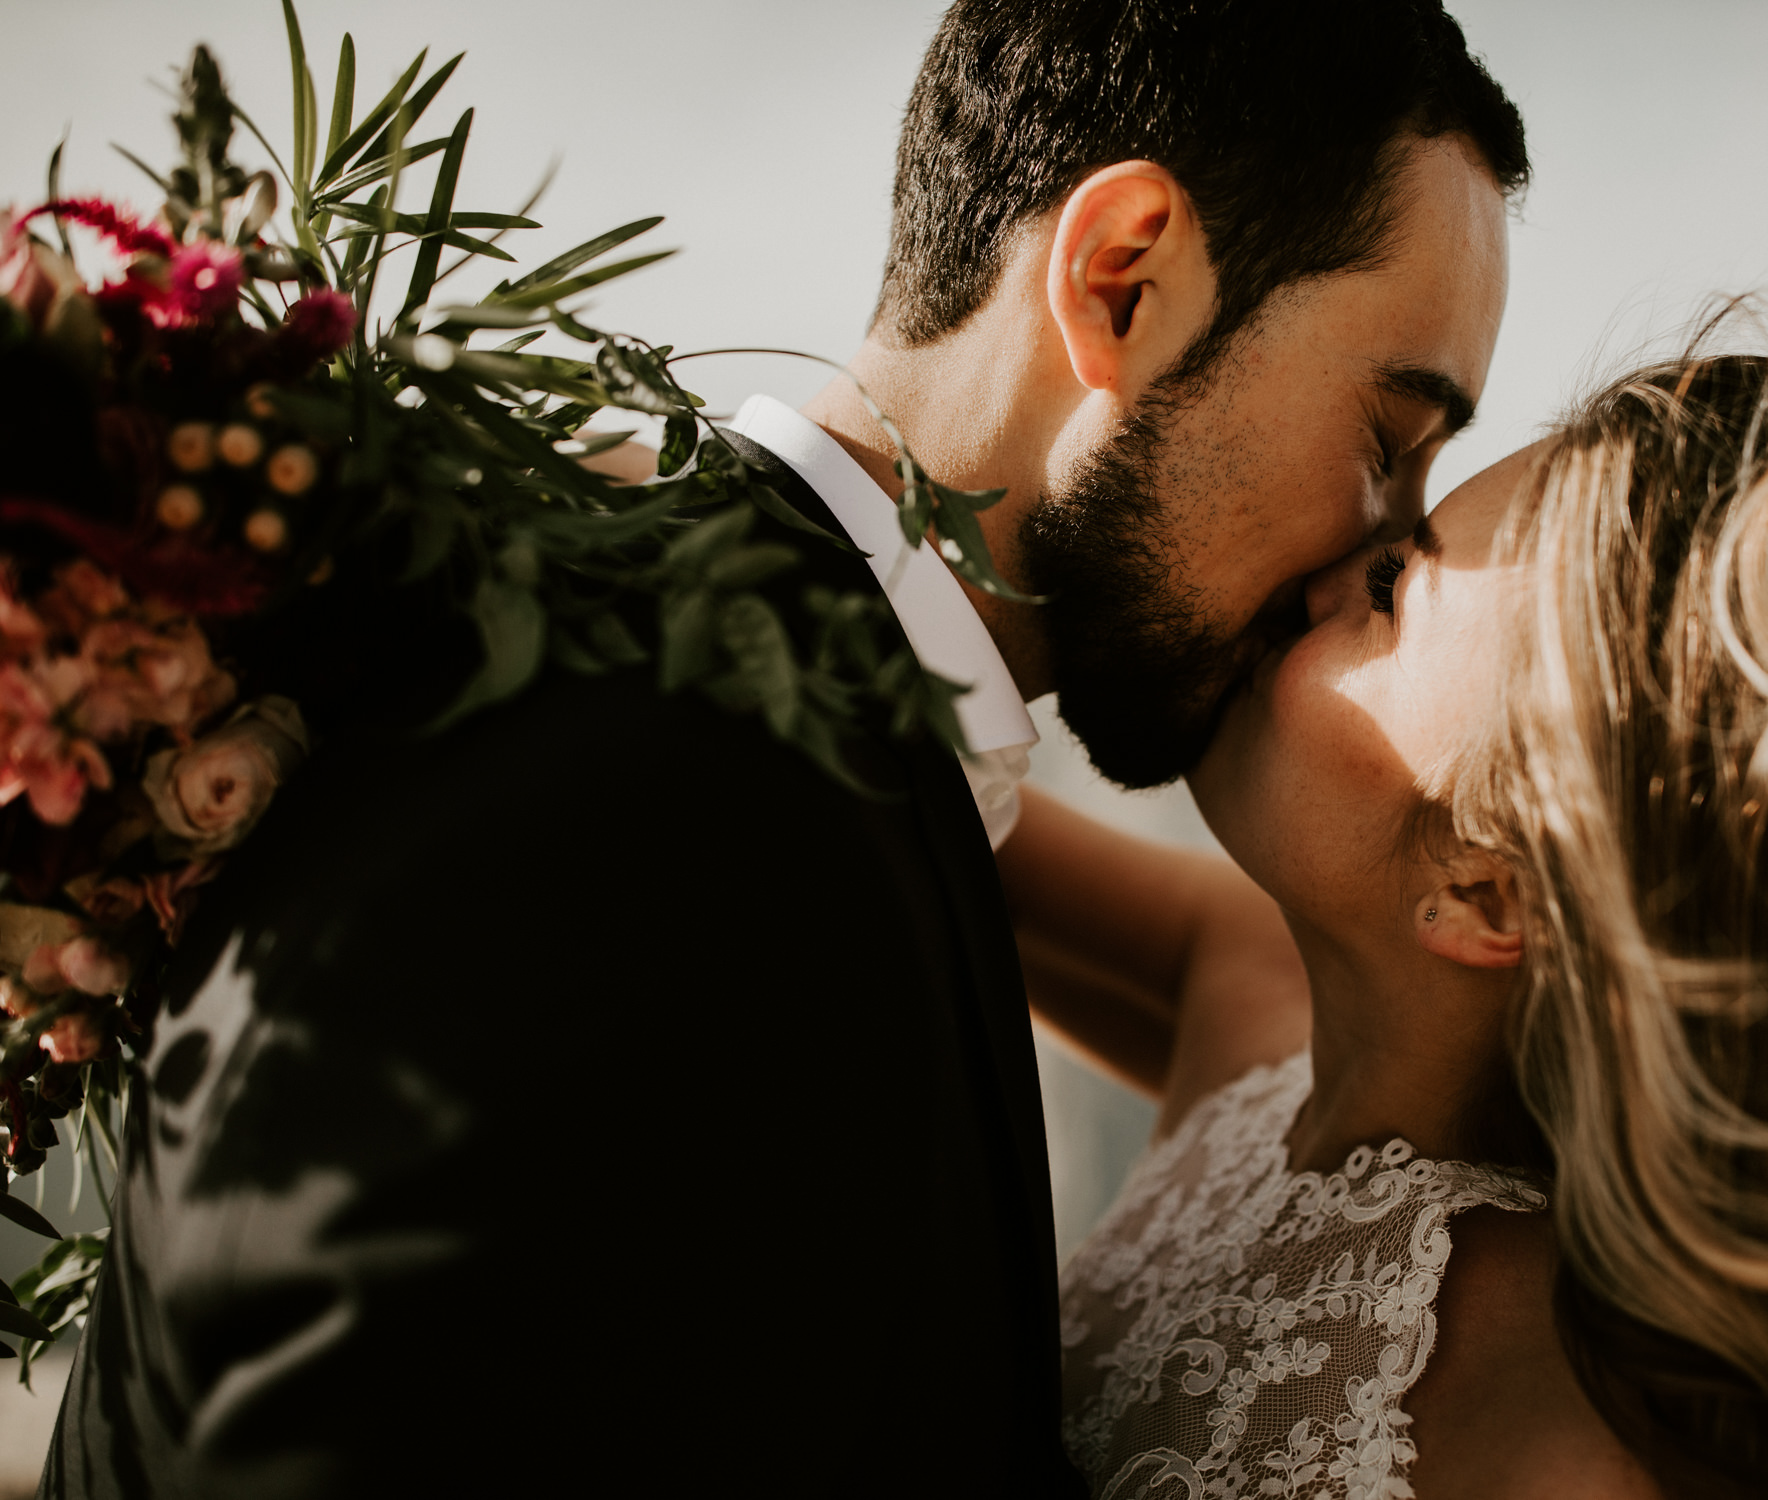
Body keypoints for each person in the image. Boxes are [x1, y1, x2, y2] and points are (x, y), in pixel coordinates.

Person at [39, 2, 1528, 1495]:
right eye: (1383, 438)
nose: (1382, 542)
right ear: (1120, 278)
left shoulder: (739, 713)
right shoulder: (661, 788)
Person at [1004, 343, 1768, 1498]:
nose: (1316, 567)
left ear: (1489, 891)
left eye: (1389, 588)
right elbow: (929, 782)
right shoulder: (1248, 995)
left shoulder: (1571, 1451)